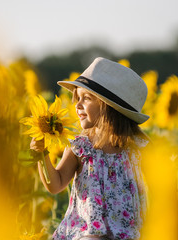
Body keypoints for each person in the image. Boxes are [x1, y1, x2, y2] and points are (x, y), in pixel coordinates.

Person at [30, 57, 150, 240]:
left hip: (129, 233)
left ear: (110, 107)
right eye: (77, 98)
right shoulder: (81, 146)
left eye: (86, 98)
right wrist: (42, 154)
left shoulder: (139, 149)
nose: (77, 105)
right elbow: (56, 184)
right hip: (86, 232)